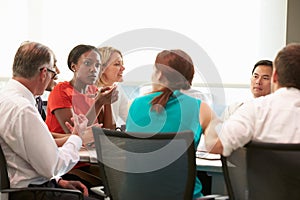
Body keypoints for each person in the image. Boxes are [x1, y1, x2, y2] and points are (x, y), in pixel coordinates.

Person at [0, 41, 97, 199]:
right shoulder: (23, 110)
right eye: (54, 70)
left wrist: (59, 181)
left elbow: (32, 156)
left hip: (27, 188)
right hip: (32, 193)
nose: (57, 73)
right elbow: (53, 166)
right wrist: (77, 137)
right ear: (43, 73)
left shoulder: (6, 99)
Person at [126, 49, 216, 199]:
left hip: (135, 195)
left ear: (160, 74)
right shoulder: (201, 108)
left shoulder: (133, 105)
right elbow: (217, 146)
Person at [205, 43, 300, 157]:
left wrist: (209, 121)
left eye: (265, 78)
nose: (258, 81)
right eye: (255, 76)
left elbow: (214, 145)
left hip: (261, 174)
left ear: (274, 77)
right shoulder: (243, 108)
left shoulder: (254, 110)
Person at [45, 44, 118, 188]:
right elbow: (74, 133)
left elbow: (109, 132)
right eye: (87, 63)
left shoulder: (94, 91)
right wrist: (98, 103)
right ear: (74, 67)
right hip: (65, 163)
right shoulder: (61, 91)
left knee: (119, 180)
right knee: (110, 185)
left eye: (98, 65)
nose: (94, 69)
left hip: (86, 160)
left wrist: (107, 103)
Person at [97, 46, 128, 129]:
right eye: (117, 64)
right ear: (101, 68)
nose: (123, 68)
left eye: (122, 64)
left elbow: (129, 118)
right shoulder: (91, 92)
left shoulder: (117, 89)